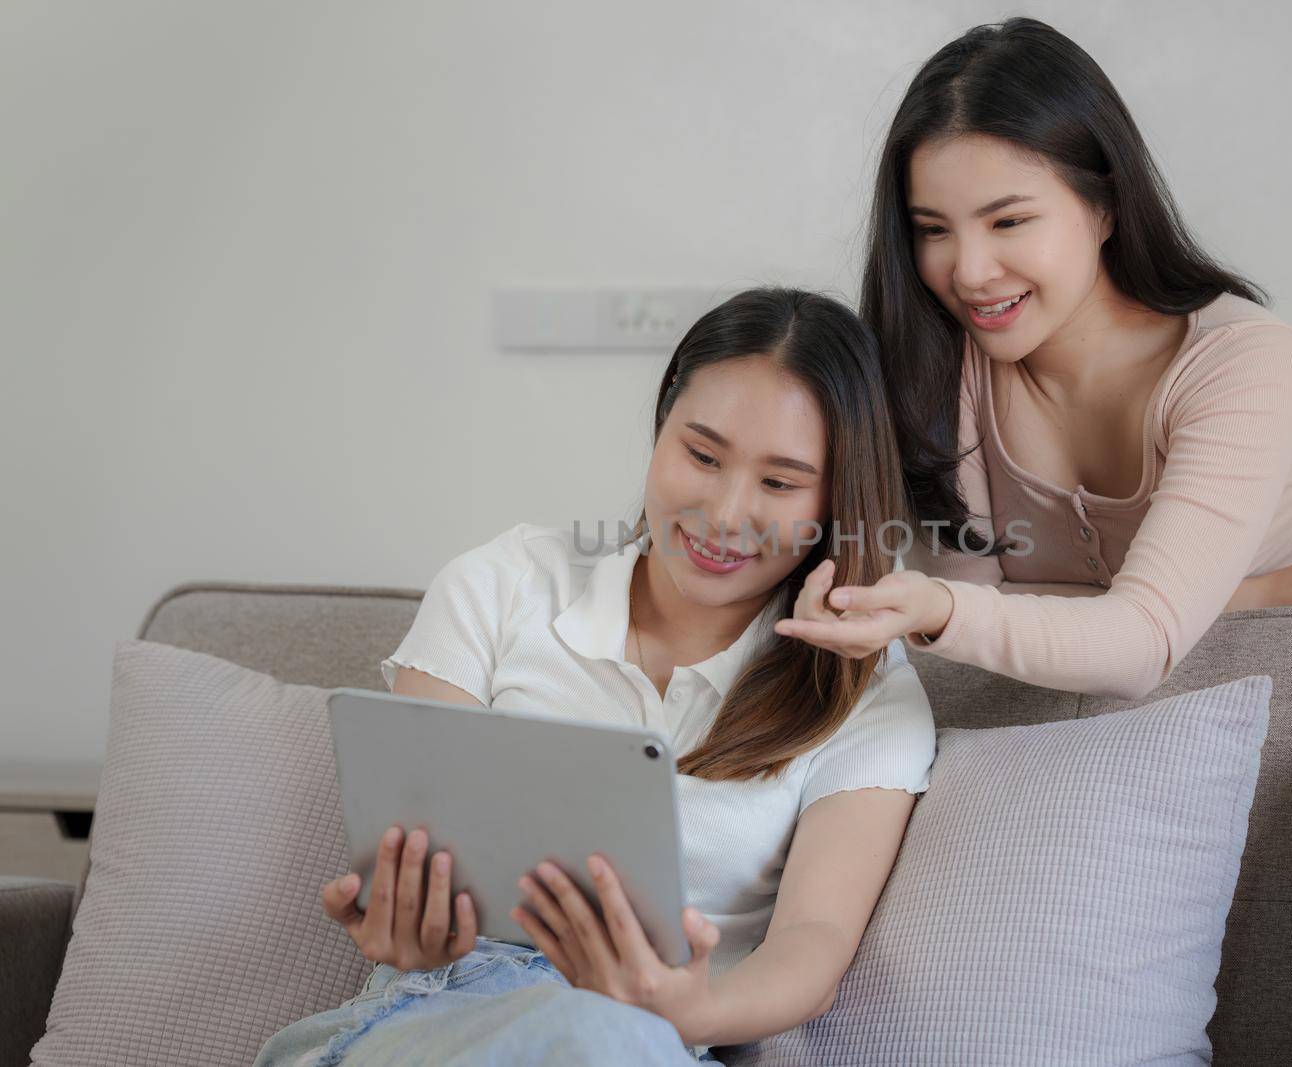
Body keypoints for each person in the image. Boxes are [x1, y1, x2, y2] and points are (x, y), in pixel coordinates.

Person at [254, 288, 936, 1066]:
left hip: (656, 1038)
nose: (724, 510)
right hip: (443, 1014)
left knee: (604, 1037)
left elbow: (813, 944)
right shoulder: (507, 582)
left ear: (835, 498)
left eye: (779, 484)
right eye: (702, 455)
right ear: (660, 431)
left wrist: (689, 1006)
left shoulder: (865, 685)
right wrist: (406, 917)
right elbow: (417, 848)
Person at [774, 17, 1292, 699]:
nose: (968, 271)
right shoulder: (938, 367)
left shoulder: (1242, 360)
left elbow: (1115, 637)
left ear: (1106, 205)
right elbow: (985, 638)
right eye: (933, 230)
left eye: (1009, 220)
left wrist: (950, 609)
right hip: (1273, 620)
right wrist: (1257, 597)